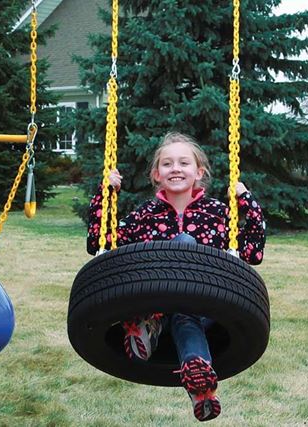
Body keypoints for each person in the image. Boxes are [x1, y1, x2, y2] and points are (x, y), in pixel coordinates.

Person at [87, 132, 266, 422]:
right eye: (167, 164)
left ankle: (157, 337)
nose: (176, 169)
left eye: (184, 162)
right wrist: (104, 194)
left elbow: (253, 251)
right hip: (157, 299)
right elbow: (99, 243)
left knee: (185, 269)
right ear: (156, 175)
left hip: (203, 305)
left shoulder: (219, 214)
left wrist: (245, 200)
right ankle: (201, 389)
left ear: (200, 172)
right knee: (184, 287)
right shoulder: (145, 215)